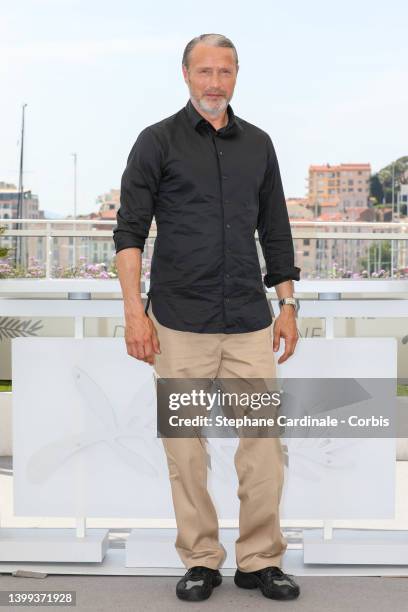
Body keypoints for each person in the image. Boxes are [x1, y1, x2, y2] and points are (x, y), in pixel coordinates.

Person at [113, 33, 301, 602]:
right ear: (186, 75)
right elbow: (129, 233)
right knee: (186, 448)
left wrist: (287, 304)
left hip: (248, 321)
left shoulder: (260, 145)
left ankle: (260, 561)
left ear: (237, 75)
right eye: (204, 72)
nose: (214, 82)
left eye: (225, 71)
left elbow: (275, 232)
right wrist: (134, 314)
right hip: (178, 321)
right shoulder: (156, 142)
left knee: (264, 442)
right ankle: (200, 559)